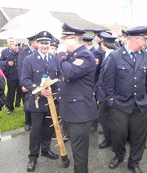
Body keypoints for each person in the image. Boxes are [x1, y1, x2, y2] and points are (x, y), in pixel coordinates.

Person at [103, 25, 147, 173]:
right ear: (136, 39)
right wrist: (111, 101)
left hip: (141, 104)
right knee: (119, 133)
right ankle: (119, 155)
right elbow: (107, 81)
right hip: (120, 104)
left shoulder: (145, 55)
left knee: (139, 135)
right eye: (145, 39)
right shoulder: (115, 56)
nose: (146, 42)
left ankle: (134, 162)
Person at [56, 23, 97, 173]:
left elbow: (70, 73)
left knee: (79, 152)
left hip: (80, 112)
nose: (62, 43)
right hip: (73, 110)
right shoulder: (73, 55)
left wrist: (60, 56)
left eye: (63, 40)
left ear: (73, 39)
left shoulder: (84, 54)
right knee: (76, 147)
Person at [21, 31, 59, 172]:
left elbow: (58, 78)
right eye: (42, 43)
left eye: (47, 43)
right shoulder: (29, 59)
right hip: (37, 101)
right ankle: (32, 157)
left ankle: (46, 150)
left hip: (51, 101)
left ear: (50, 44)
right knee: (36, 130)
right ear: (37, 44)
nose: (44, 46)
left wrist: (56, 92)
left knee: (48, 128)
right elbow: (25, 79)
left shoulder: (54, 59)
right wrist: (39, 89)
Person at [95, 31, 117, 149]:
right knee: (105, 117)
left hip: (109, 94)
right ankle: (109, 139)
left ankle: (110, 140)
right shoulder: (106, 55)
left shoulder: (113, 56)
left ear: (103, 44)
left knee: (104, 117)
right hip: (104, 93)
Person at [18, 34, 38, 131]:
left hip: (36, 81)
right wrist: (23, 84)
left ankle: (35, 122)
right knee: (27, 102)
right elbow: (20, 69)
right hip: (27, 81)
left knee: (36, 101)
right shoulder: (23, 52)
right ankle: (27, 122)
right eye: (37, 41)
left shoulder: (39, 52)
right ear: (32, 42)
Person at [0, 37, 22, 114]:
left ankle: (18, 104)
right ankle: (10, 107)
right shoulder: (4, 51)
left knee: (20, 91)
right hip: (11, 75)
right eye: (10, 41)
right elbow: (1, 62)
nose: (12, 43)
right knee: (11, 91)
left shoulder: (20, 49)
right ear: (8, 43)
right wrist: (7, 63)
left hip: (20, 74)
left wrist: (17, 51)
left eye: (13, 41)